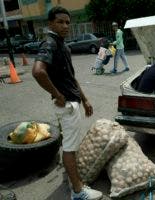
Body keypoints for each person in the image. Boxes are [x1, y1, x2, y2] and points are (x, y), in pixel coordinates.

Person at [32, 6, 102, 200]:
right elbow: (38, 71)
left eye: (67, 22)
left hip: (72, 102)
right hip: (67, 106)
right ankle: (78, 191)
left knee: (68, 143)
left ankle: (71, 174)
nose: (65, 26)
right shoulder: (50, 43)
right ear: (50, 23)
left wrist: (85, 99)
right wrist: (57, 94)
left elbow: (71, 77)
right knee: (71, 147)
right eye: (60, 22)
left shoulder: (63, 45)